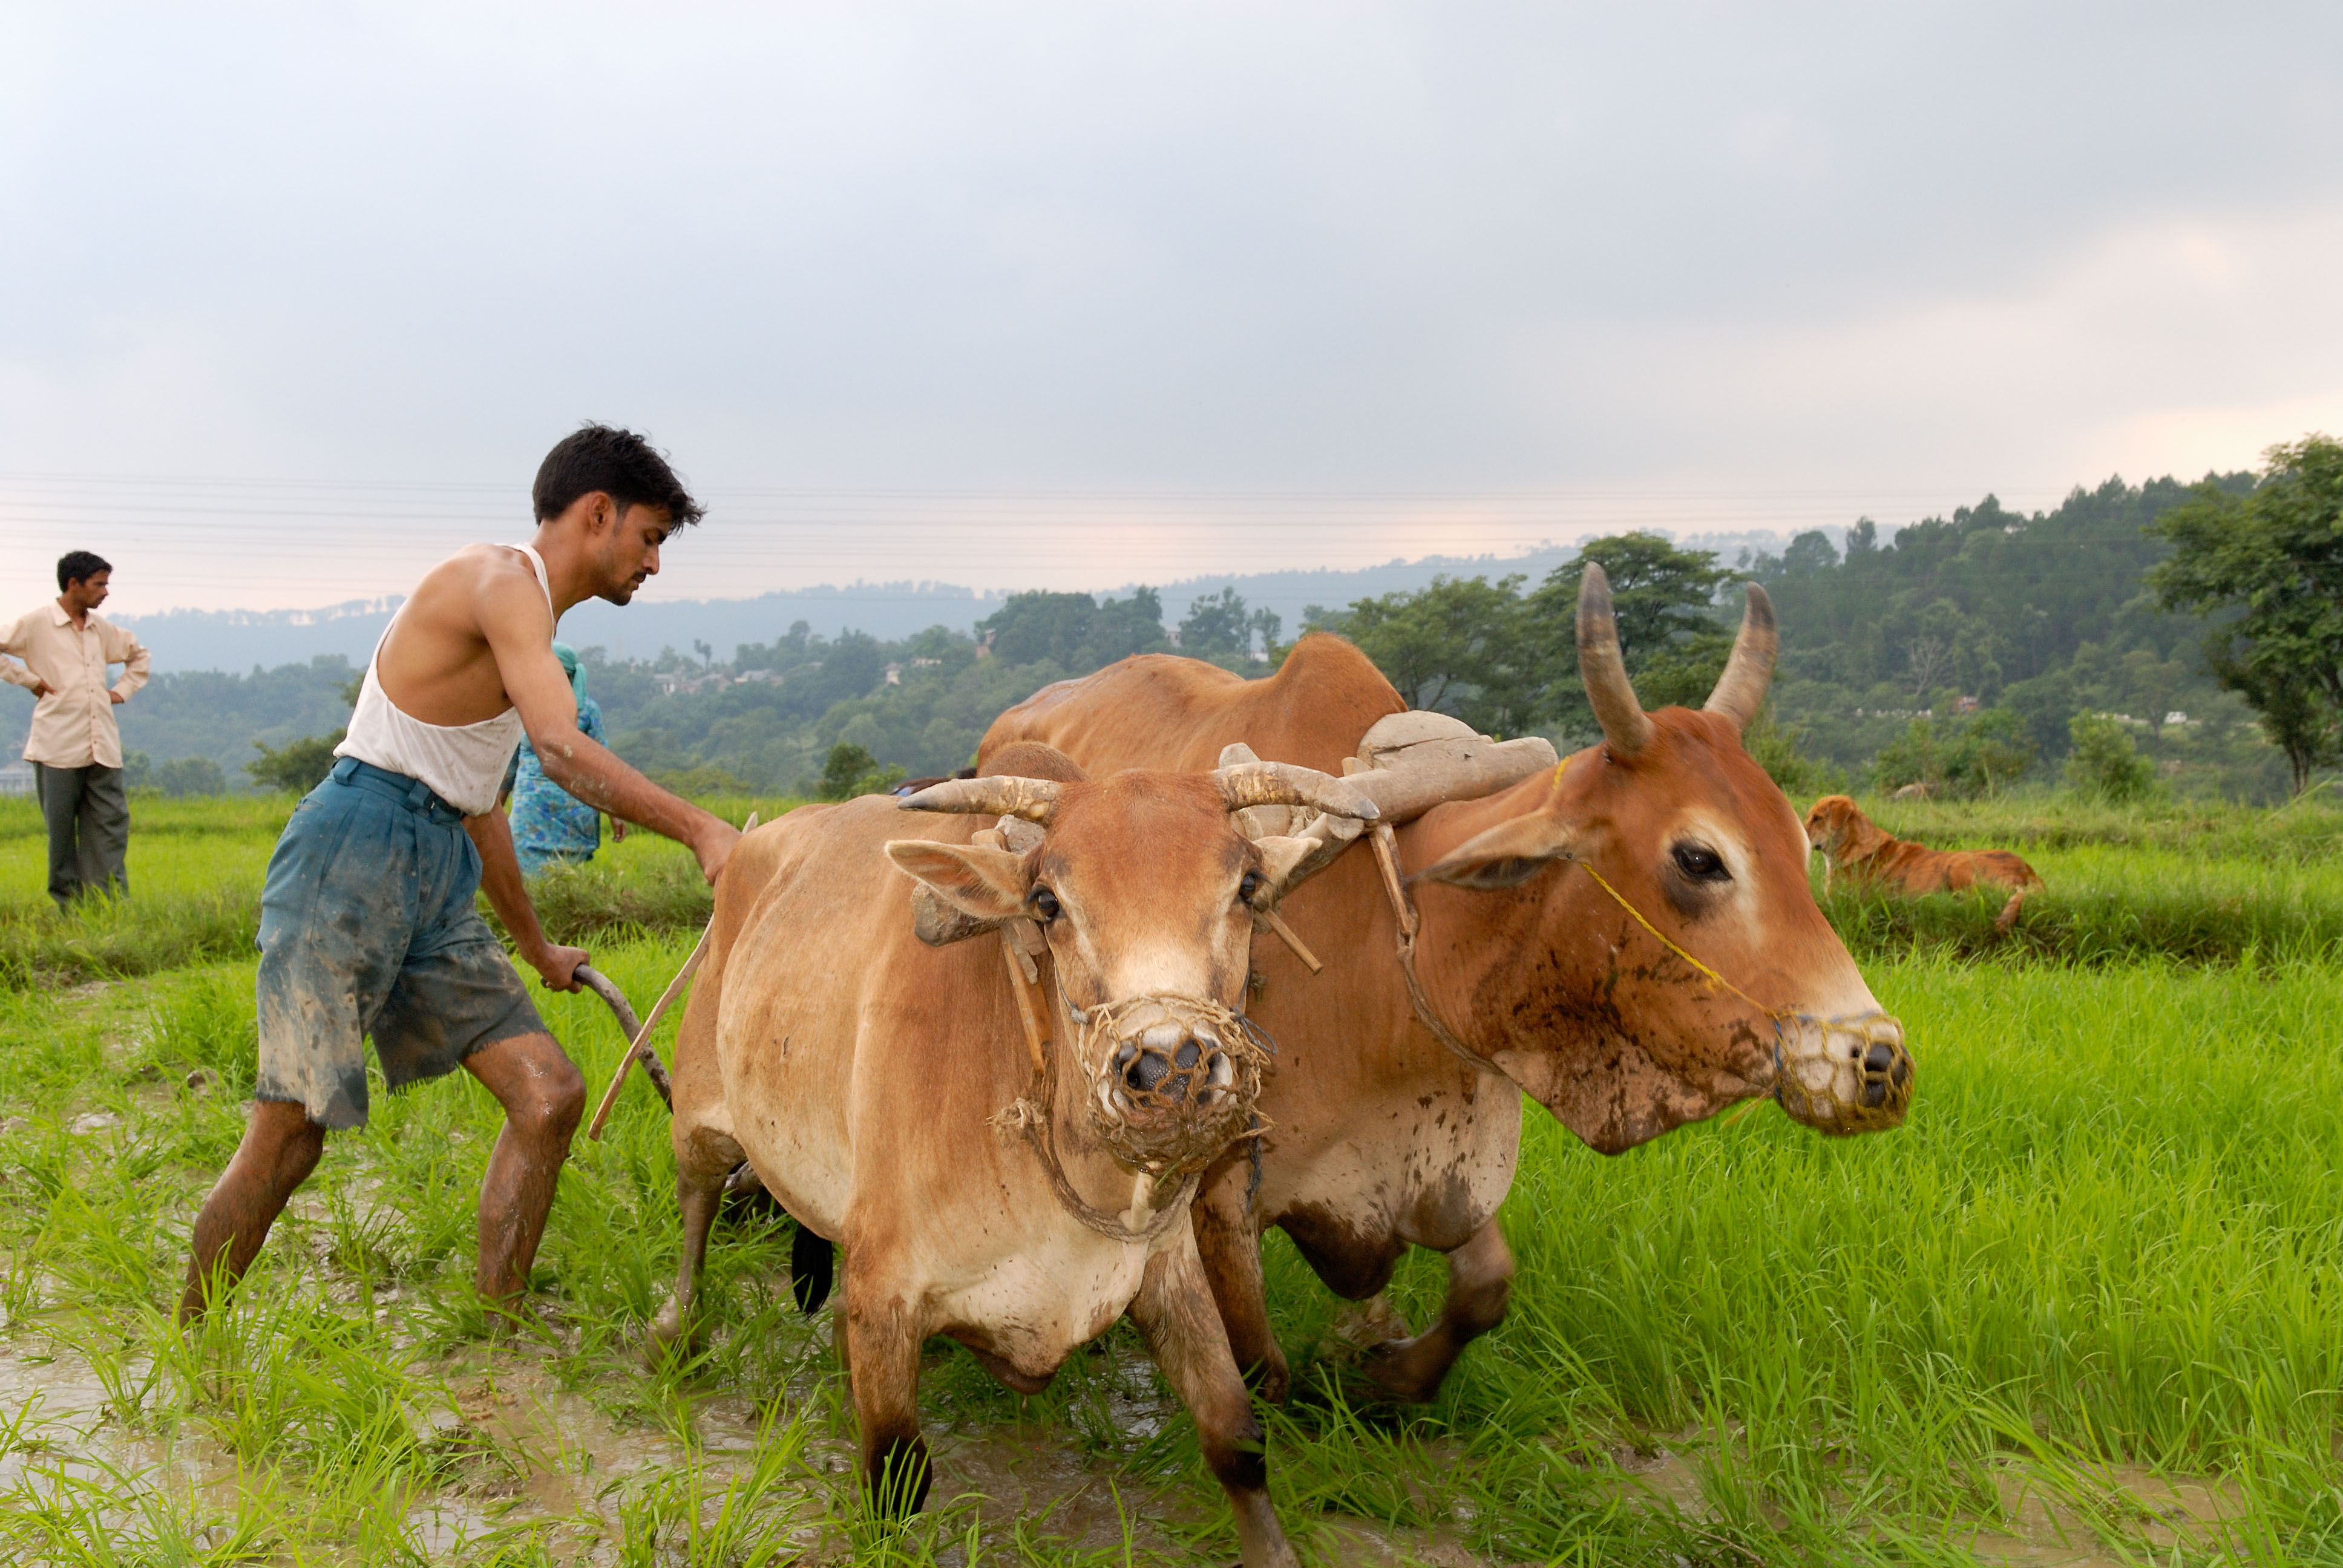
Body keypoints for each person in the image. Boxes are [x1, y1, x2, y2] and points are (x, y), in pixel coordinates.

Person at [177, 425, 740, 1325]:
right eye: (652, 536)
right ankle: (188, 1344)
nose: (655, 563)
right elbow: (558, 748)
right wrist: (702, 832)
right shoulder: (499, 582)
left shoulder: (530, 626)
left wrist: (535, 944)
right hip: (350, 852)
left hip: (434, 860)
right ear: (598, 513)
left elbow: (477, 803)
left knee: (548, 1094)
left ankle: (496, 1331)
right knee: (292, 1131)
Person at [0, 552, 151, 910]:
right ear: (74, 584)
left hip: (103, 745)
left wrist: (120, 692)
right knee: (62, 833)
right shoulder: (37, 624)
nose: (105, 592)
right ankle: (69, 908)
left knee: (111, 825)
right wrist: (29, 681)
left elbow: (138, 655)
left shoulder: (101, 630)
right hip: (56, 746)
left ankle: (110, 903)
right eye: (99, 584)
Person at [506, 642, 626, 877]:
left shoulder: (581, 711)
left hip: (549, 815)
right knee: (547, 880)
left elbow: (602, 763)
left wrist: (615, 812)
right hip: (544, 814)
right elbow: (604, 761)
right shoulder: (527, 708)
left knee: (550, 884)